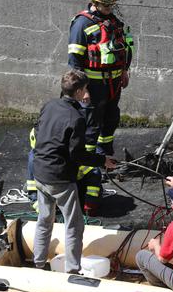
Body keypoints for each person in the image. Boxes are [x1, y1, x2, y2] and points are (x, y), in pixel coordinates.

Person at [33, 70, 116, 273]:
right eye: (85, 88)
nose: (87, 92)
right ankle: (72, 270)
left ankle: (38, 263)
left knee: (44, 219)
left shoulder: (49, 105)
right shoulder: (76, 117)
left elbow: (37, 131)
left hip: (40, 172)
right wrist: (102, 160)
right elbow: (77, 156)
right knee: (74, 225)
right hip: (59, 178)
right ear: (79, 91)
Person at [68, 0, 134, 159]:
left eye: (111, 5)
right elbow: (74, 61)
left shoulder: (113, 22)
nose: (110, 8)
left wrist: (124, 71)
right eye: (106, 5)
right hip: (93, 85)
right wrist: (83, 89)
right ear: (94, 2)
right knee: (91, 124)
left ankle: (106, 158)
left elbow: (123, 49)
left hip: (113, 84)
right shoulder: (82, 24)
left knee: (110, 120)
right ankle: (89, 164)